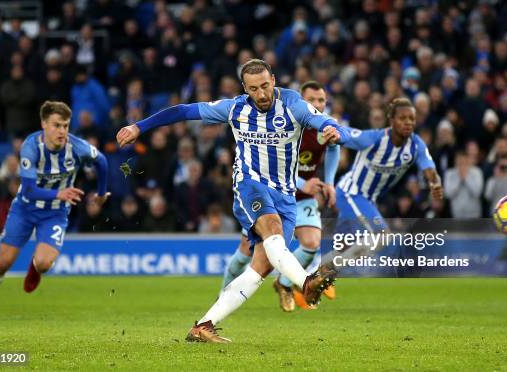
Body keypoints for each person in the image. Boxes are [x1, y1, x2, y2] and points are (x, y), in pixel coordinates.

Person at [116, 59, 349, 343]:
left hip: (286, 196)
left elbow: (322, 120)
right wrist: (140, 126)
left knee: (260, 268)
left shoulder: (292, 103)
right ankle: (306, 284)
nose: (261, 94)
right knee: (272, 231)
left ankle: (203, 326)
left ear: (273, 80)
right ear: (244, 89)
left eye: (265, 85)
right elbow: (184, 111)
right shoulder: (235, 108)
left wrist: (331, 129)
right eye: (254, 89)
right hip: (249, 185)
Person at [0, 101, 109, 319]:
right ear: (44, 124)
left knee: (44, 263)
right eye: (56, 125)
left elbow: (101, 160)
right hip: (25, 209)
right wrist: (59, 193)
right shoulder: (31, 147)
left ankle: (35, 267)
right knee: (3, 262)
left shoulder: (77, 146)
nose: (62, 131)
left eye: (65, 125)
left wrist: (101, 193)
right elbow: (29, 189)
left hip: (55, 213)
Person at [219, 80, 340, 312]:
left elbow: (335, 147)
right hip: (270, 195)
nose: (317, 104)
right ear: (299, 101)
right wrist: (305, 182)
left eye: (321, 100)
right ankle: (222, 295)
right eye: (311, 100)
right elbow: (270, 169)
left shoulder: (323, 129)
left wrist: (330, 183)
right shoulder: (286, 123)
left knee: (312, 243)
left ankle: (285, 284)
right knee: (246, 252)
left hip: (301, 198)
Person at [319, 97, 443, 274]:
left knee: (345, 247)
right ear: (391, 120)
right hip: (350, 193)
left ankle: (310, 276)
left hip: (367, 199)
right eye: (402, 118)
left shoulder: (416, 145)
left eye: (411, 119)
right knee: (382, 236)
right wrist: (332, 131)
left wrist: (435, 182)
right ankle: (328, 270)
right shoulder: (374, 139)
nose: (408, 123)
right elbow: (347, 134)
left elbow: (429, 168)